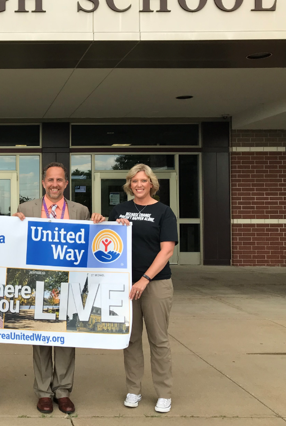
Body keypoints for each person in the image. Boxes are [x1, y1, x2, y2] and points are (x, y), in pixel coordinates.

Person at [13, 162, 105, 414]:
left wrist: (99, 222)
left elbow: (90, 243)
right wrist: (13, 225)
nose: (55, 184)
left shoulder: (81, 210)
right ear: (44, 183)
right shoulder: (25, 209)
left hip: (70, 284)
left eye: (60, 180)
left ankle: (63, 391)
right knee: (41, 337)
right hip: (37, 283)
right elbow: (15, 243)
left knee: (66, 337)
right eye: (50, 180)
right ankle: (43, 392)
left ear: (66, 183)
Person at [108, 164, 178, 414]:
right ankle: (133, 390)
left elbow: (167, 250)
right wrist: (111, 224)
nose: (138, 184)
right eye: (134, 181)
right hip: (126, 284)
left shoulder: (164, 212)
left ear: (151, 184)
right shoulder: (120, 209)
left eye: (143, 180)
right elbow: (106, 241)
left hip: (155, 283)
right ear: (129, 184)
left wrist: (145, 279)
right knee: (131, 339)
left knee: (158, 340)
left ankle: (163, 393)